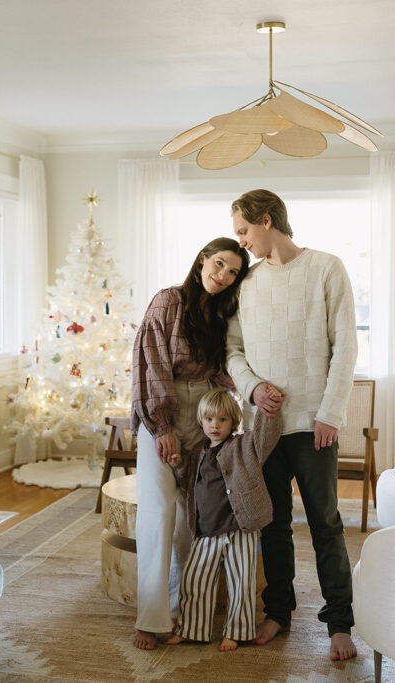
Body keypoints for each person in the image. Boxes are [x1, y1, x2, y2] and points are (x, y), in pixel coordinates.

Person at [225, 189, 359, 661]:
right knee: (274, 524)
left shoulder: (326, 267)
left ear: (266, 221)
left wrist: (330, 414)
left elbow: (344, 345)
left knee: (325, 523)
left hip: (314, 424)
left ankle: (339, 622)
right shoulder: (248, 283)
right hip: (265, 426)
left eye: (243, 231)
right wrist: (253, 388)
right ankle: (278, 610)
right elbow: (233, 350)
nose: (241, 242)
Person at [130, 237, 250, 650]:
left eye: (233, 272)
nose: (223, 276)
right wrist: (162, 427)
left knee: (192, 513)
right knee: (158, 510)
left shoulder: (222, 314)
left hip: (205, 415)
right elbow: (152, 362)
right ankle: (151, 618)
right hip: (162, 409)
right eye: (219, 264)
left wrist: (252, 390)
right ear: (203, 260)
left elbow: (220, 372)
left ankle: (185, 612)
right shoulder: (168, 301)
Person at [165, 386, 282, 652]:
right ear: (201, 421)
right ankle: (191, 629)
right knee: (195, 580)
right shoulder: (197, 453)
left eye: (222, 420)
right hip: (206, 530)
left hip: (239, 529)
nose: (214, 425)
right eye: (209, 419)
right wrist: (177, 463)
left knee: (240, 582)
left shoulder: (243, 446)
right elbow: (188, 483)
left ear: (233, 422)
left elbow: (266, 437)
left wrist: (269, 408)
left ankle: (237, 632)